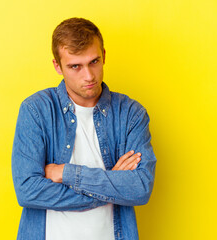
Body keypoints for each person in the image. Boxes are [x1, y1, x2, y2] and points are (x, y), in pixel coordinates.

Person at [12, 17, 156, 240]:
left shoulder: (130, 114)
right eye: (75, 66)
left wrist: (66, 173)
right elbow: (28, 191)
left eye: (94, 62)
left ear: (104, 56)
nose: (88, 76)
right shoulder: (36, 110)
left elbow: (139, 187)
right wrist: (110, 188)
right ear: (58, 66)